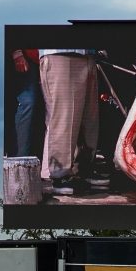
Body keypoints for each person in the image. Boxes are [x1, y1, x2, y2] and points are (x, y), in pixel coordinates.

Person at [39, 49, 100, 195]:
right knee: (64, 117)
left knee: (89, 119)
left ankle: (83, 170)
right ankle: (59, 176)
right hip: (61, 53)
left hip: (88, 54)